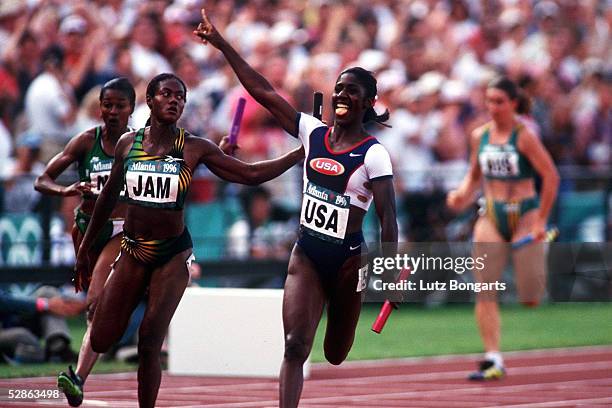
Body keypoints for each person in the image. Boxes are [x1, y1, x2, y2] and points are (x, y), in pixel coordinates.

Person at [195, 11, 398, 407]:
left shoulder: (374, 155)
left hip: (347, 264)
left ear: (369, 103)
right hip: (306, 255)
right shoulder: (311, 132)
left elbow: (389, 218)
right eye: (339, 88)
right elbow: (264, 92)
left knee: (336, 354)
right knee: (293, 346)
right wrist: (223, 46)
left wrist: (389, 271)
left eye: (352, 91)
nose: (341, 95)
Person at [74, 72, 304, 408]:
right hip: (134, 249)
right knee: (101, 335)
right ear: (150, 101)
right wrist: (83, 250)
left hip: (172, 253)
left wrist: (298, 154)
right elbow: (108, 199)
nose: (174, 101)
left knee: (150, 341)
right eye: (166, 94)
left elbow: (251, 174)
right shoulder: (128, 144)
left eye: (180, 97)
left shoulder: (194, 147)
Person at [447, 76, 559, 380]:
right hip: (492, 215)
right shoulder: (478, 136)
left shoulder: (524, 136)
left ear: (513, 104)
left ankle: (541, 246)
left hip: (525, 214)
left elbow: (550, 176)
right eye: (489, 101)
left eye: (498, 101)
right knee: (485, 289)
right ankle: (493, 357)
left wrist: (540, 219)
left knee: (530, 297)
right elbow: (473, 175)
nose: (492, 107)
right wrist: (460, 194)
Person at [34, 77, 135, 407]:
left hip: (121, 232)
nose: (112, 111)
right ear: (99, 108)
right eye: (107, 105)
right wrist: (66, 190)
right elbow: (42, 179)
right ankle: (82, 373)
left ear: (131, 109)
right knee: (95, 311)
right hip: (87, 231)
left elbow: (184, 157)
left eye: (120, 106)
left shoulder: (142, 143)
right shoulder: (84, 142)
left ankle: (78, 375)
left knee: (95, 300)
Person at [0, 286, 83, 364]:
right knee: (22, 335)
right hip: (5, 332)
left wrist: (47, 304)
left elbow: (7, 298)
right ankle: (49, 355)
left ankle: (59, 347)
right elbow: (2, 301)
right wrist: (44, 304)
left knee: (47, 293)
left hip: (11, 321)